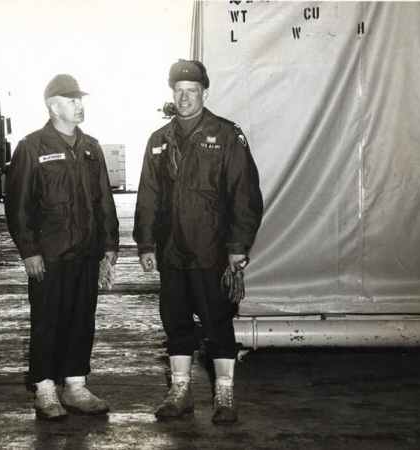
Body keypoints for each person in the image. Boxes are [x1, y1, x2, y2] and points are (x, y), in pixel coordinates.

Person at [133, 60, 263, 425]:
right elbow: (148, 196)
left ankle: (224, 395)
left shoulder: (226, 135)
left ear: (204, 93)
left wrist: (238, 246)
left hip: (212, 251)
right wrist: (145, 244)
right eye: (178, 92)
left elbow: (245, 194)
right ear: (171, 95)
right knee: (175, 323)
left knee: (217, 322)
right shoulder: (159, 140)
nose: (184, 97)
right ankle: (180, 391)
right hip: (172, 251)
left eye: (191, 91)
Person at [5, 74, 119, 420]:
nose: (79, 105)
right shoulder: (31, 147)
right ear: (53, 106)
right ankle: (44, 390)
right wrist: (29, 251)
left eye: (80, 100)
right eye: (72, 101)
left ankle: (75, 386)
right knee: (48, 322)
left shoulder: (90, 148)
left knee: (82, 320)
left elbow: (104, 202)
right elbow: (18, 205)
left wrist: (109, 248)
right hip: (49, 256)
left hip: (86, 253)